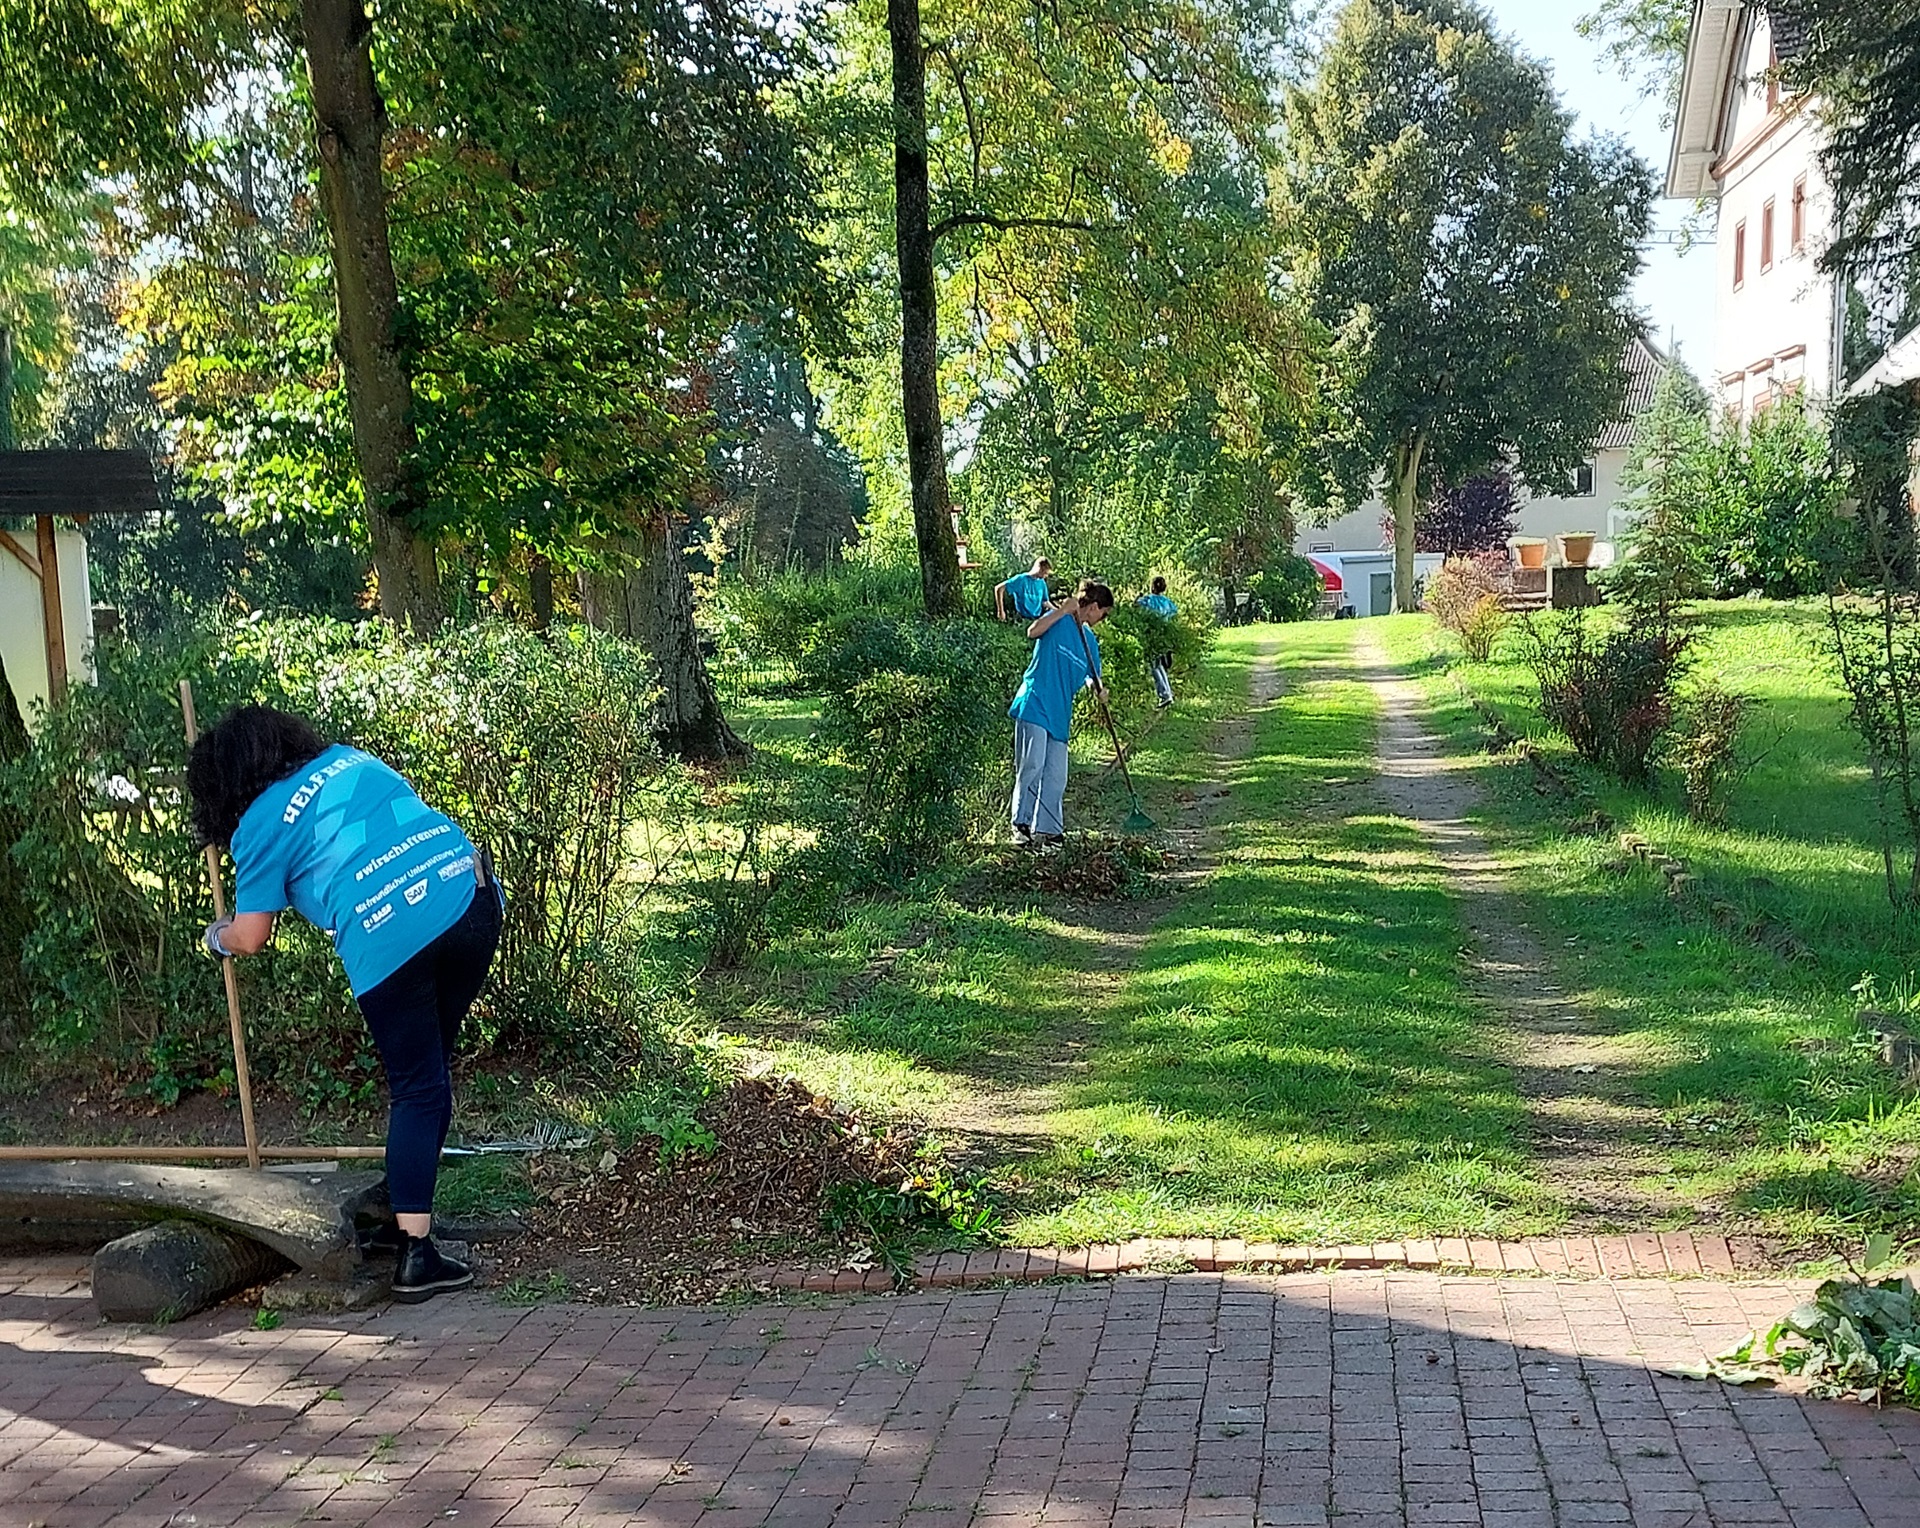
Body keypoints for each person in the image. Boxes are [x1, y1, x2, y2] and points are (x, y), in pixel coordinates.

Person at [187, 706, 503, 1304]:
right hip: (470, 898)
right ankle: (402, 1208)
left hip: (390, 934)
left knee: (417, 1086)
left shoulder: (256, 824)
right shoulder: (347, 759)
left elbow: (251, 936)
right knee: (430, 1074)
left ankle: (414, 1254)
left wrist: (215, 937)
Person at [1007, 581, 1114, 846]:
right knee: (1032, 764)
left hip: (1059, 712)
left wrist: (1098, 690)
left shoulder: (1089, 641)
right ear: (1093, 607)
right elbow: (1033, 632)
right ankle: (1021, 825)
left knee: (1056, 774)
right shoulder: (1058, 620)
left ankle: (1049, 830)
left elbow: (1092, 675)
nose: (1104, 618)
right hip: (1035, 702)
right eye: (1104, 612)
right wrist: (1061, 611)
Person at [1136, 576, 1179, 709]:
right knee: (1160, 665)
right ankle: (1168, 694)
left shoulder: (1148, 600)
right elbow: (1174, 613)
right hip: (1164, 636)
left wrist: (1137, 598)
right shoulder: (1168, 602)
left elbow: (1136, 606)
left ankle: (1164, 694)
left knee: (1154, 666)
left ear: (1152, 587)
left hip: (1152, 636)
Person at [995, 557, 1052, 623]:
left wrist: (1058, 611)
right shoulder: (1021, 579)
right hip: (1021, 619)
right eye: (1044, 572)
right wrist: (1000, 611)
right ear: (1039, 568)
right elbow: (999, 588)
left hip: (1036, 619)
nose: (1045, 576)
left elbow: (1045, 602)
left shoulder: (1042, 583)